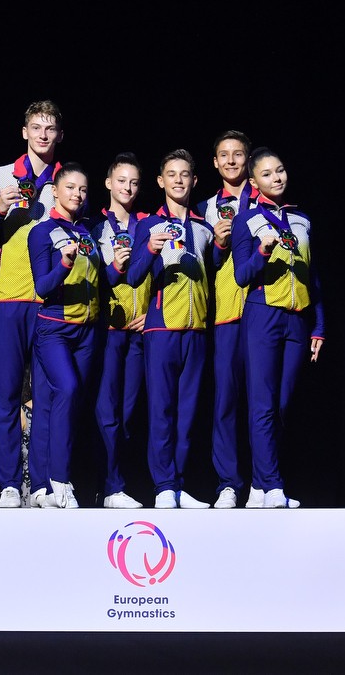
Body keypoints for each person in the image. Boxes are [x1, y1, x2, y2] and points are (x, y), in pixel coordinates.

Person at [0, 100, 63, 508]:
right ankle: (8, 484)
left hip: (50, 301)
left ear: (59, 135)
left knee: (47, 397)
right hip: (8, 299)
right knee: (6, 396)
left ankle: (42, 483)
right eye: (36, 127)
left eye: (50, 128)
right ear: (24, 132)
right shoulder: (0, 176)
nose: (43, 134)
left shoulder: (66, 180)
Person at [127, 149, 221, 509]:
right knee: (162, 411)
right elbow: (134, 276)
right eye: (171, 174)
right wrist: (151, 249)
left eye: (184, 174)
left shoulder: (204, 227)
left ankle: (179, 486)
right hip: (162, 330)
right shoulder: (149, 225)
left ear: (194, 181)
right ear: (160, 181)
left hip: (196, 330)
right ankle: (164, 486)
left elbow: (215, 272)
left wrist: (222, 244)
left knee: (188, 414)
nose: (178, 180)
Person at [231, 147, 324, 508]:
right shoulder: (247, 219)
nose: (277, 178)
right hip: (262, 315)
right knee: (263, 404)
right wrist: (262, 253)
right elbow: (241, 275)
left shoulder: (302, 219)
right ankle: (272, 484)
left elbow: (314, 277)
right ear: (254, 182)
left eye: (280, 170)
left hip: (297, 320)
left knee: (282, 405)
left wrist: (319, 326)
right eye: (267, 174)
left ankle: (260, 484)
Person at [27, 164, 102, 508]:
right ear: (55, 191)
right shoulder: (42, 232)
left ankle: (40, 487)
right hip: (54, 328)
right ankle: (59, 479)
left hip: (86, 331)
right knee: (67, 391)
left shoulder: (88, 232)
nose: (77, 194)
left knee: (55, 404)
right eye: (70, 187)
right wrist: (65, 264)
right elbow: (42, 286)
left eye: (83, 189)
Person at [194, 131, 255, 509]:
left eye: (238, 154)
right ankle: (229, 483)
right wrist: (218, 245)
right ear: (215, 162)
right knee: (226, 402)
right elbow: (199, 265)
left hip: (267, 312)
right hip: (226, 315)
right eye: (224, 155)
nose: (231, 161)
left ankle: (267, 482)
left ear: (249, 159)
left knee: (267, 404)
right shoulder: (205, 208)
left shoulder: (267, 200)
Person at [93, 153, 149, 509]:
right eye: (121, 180)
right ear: (108, 183)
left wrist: (153, 314)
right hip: (108, 331)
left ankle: (113, 485)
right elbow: (91, 277)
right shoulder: (94, 226)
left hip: (140, 332)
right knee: (107, 413)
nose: (127, 188)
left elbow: (163, 274)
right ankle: (111, 486)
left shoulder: (148, 225)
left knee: (128, 416)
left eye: (134, 182)